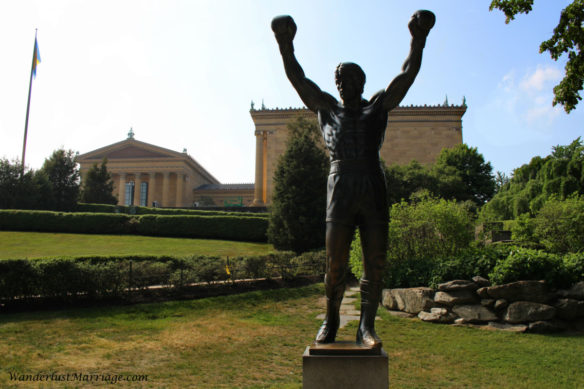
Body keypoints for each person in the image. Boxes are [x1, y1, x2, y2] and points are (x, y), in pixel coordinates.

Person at [272, 10, 435, 347]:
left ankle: (366, 327)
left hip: (372, 183)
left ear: (362, 82)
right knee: (334, 264)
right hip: (340, 183)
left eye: (350, 80)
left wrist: (418, 38)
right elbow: (298, 78)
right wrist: (285, 44)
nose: (344, 85)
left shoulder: (377, 106)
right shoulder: (326, 108)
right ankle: (331, 321)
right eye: (340, 81)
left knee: (375, 261)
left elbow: (407, 74)